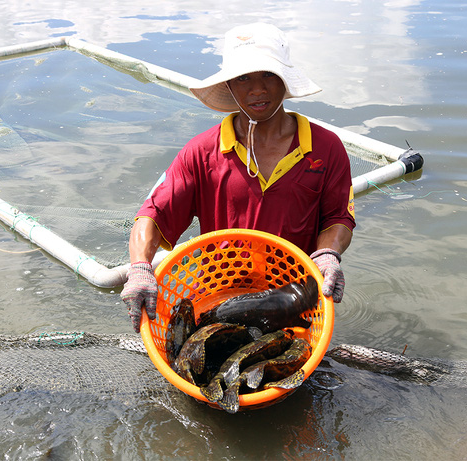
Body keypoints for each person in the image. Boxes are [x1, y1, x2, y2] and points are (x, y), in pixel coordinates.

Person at [121, 23, 356, 332]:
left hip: (294, 302)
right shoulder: (202, 152)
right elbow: (152, 213)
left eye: (268, 75)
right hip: (218, 299)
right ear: (229, 85)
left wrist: (329, 253)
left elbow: (338, 217)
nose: (257, 89)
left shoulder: (326, 148)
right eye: (243, 77)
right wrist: (140, 267)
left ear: (285, 80)